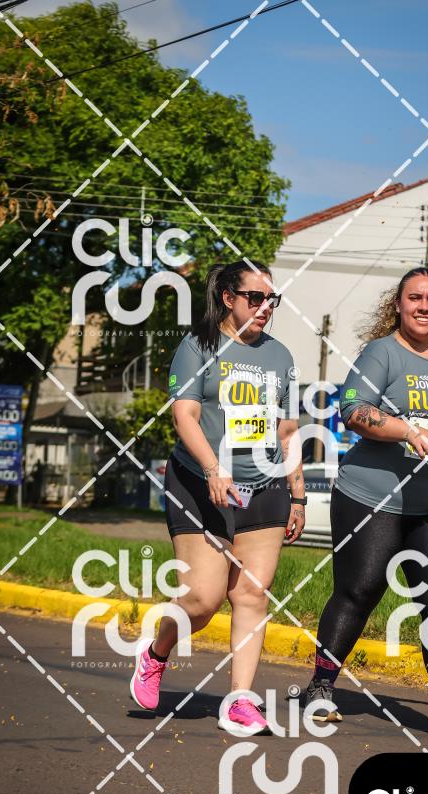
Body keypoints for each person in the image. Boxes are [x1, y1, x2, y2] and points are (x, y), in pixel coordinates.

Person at [304, 266, 428, 739]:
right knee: (361, 590)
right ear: (398, 304)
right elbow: (352, 409)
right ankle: (320, 687)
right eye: (415, 298)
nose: (424, 306)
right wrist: (407, 431)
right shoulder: (382, 352)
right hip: (372, 495)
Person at [130, 260, 306, 735]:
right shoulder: (198, 346)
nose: (266, 307)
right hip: (200, 484)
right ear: (229, 298)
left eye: (272, 299)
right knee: (202, 601)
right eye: (256, 297)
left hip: (265, 487)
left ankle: (240, 701)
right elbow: (184, 415)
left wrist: (297, 495)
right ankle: (156, 653)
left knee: (251, 594)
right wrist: (213, 468)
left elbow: (287, 431)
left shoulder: (281, 356)